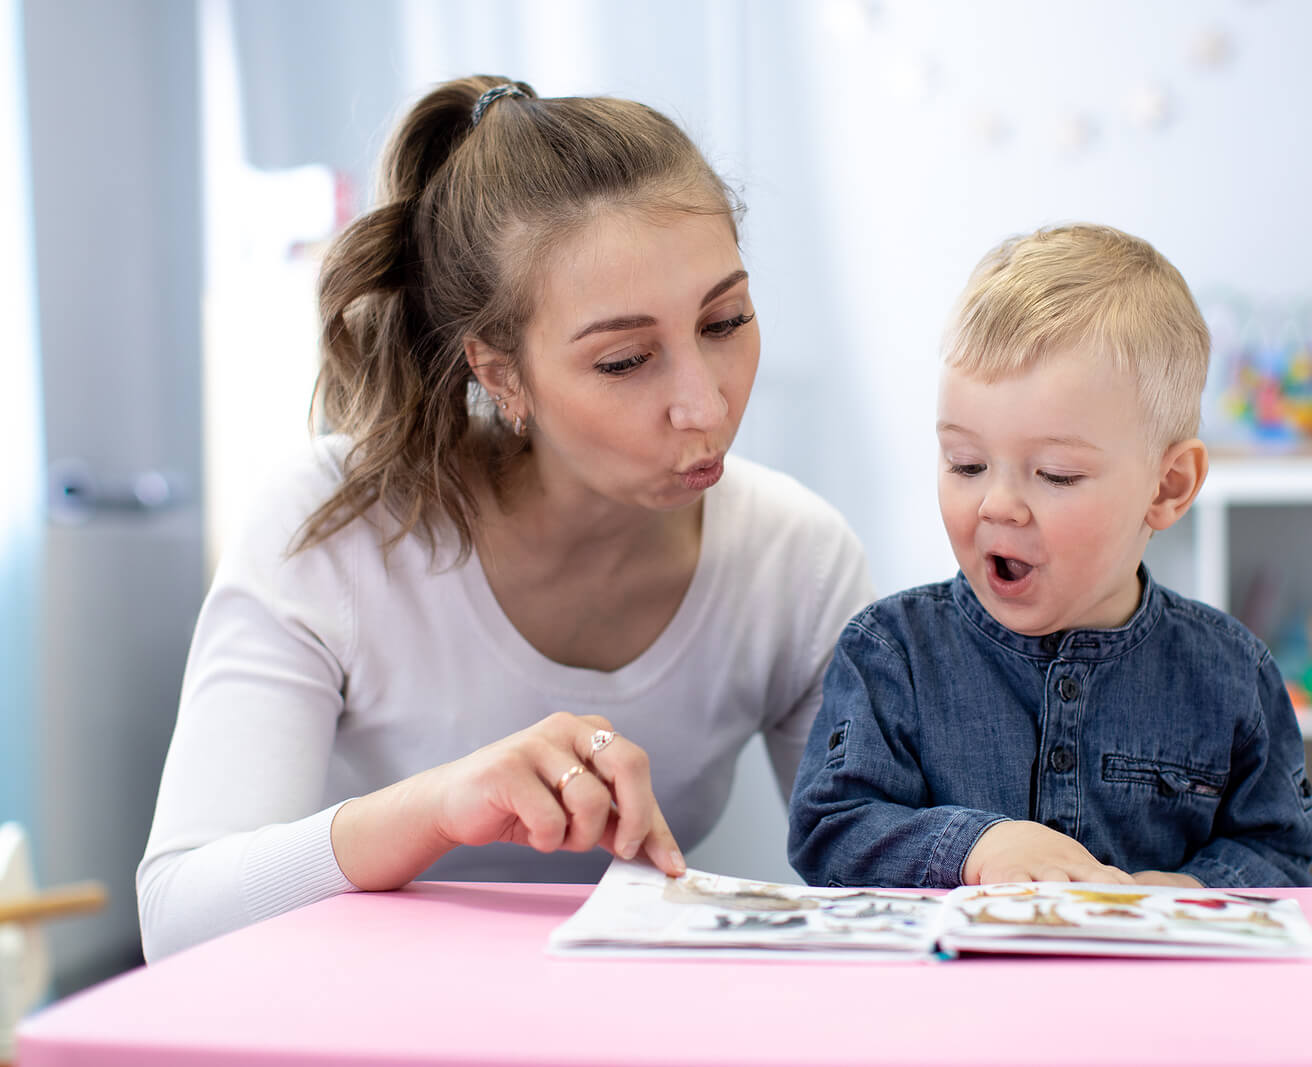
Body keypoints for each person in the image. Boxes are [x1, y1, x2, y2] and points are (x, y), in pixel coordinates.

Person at [137, 76, 873, 961]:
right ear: (500, 372)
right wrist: (440, 805)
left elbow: (867, 886)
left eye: (726, 321)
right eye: (626, 359)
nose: (703, 403)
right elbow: (176, 917)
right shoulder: (332, 528)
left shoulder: (796, 558)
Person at [788, 223, 1312, 890]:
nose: (998, 504)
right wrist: (977, 847)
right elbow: (829, 831)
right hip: (949, 994)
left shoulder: (1231, 674)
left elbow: (1278, 850)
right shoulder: (891, 653)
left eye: (1057, 474)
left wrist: (1189, 892)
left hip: (1153, 993)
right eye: (967, 462)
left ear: (1168, 486)